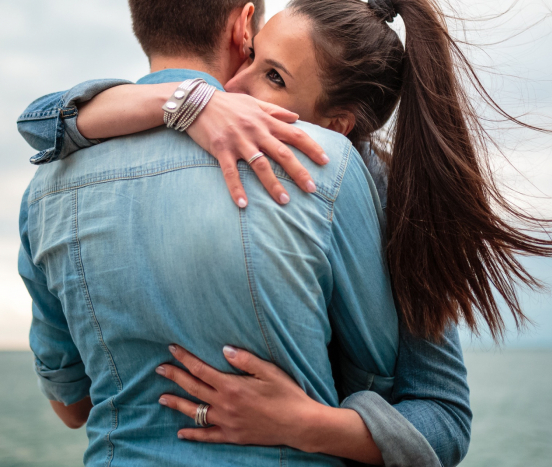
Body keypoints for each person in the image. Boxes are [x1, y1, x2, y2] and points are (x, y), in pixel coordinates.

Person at [17, 1, 477, 466]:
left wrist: (302, 422)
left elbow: (71, 405)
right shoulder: (322, 167)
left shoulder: (45, 188)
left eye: (274, 76)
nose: (232, 87)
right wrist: (193, 102)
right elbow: (379, 377)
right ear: (244, 28)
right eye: (254, 56)